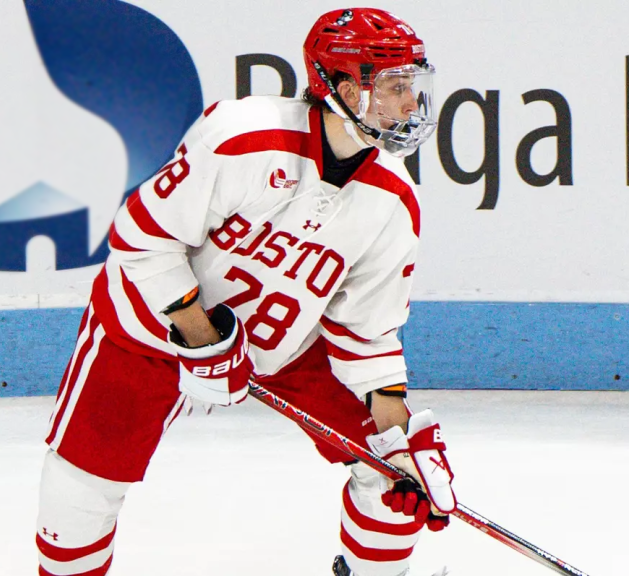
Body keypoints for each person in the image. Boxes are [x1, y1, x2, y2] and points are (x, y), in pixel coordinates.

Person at [35, 8, 455, 576]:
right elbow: (141, 238)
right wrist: (204, 342)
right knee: (81, 492)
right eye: (396, 87)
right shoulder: (245, 138)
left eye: (415, 86)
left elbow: (369, 336)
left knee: (386, 475)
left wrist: (399, 441)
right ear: (343, 87)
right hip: (149, 329)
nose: (413, 105)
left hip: (281, 348)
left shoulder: (394, 200)